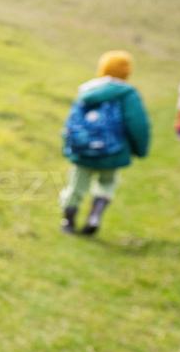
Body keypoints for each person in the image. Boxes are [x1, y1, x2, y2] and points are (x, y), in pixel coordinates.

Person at [59, 50, 151, 236]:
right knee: (106, 183)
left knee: (76, 185)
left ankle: (68, 221)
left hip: (83, 150)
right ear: (127, 73)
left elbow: (73, 120)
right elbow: (138, 124)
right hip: (113, 152)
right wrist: (140, 149)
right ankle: (95, 216)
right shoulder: (128, 94)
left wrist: (68, 145)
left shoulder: (87, 90)